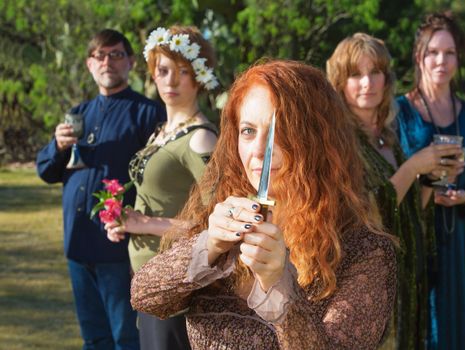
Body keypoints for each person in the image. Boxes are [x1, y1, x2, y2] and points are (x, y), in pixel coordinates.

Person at [130, 60, 397, 349]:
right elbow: (145, 297)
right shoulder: (229, 217)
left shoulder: (365, 251)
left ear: (317, 140)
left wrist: (278, 288)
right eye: (248, 131)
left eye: (279, 130)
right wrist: (210, 246)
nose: (259, 150)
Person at [326, 32, 464, 350]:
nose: (367, 83)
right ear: (339, 82)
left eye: (375, 72)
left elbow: (408, 207)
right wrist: (413, 167)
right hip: (367, 284)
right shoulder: (338, 142)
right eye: (355, 75)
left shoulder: (386, 135)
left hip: (406, 277)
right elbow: (362, 214)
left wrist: (433, 177)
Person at [36, 29, 165, 350]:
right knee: (94, 339)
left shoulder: (148, 114)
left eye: (116, 54)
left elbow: (161, 181)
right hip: (77, 244)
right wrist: (57, 146)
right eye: (100, 55)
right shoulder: (78, 115)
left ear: (131, 63)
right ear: (89, 64)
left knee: (126, 338)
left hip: (117, 247)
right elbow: (46, 171)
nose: (108, 62)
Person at [103, 25, 219, 350]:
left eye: (183, 71)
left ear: (199, 76)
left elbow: (219, 226)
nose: (171, 80)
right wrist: (127, 222)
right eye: (163, 70)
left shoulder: (200, 138)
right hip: (148, 281)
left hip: (175, 287)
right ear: (153, 73)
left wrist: (146, 224)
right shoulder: (163, 131)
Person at [396, 12, 465, 349]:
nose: (441, 61)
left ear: (459, 57)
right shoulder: (399, 113)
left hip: (457, 242)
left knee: (455, 330)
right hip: (413, 240)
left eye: (450, 52)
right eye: (432, 52)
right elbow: (385, 179)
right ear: (418, 56)